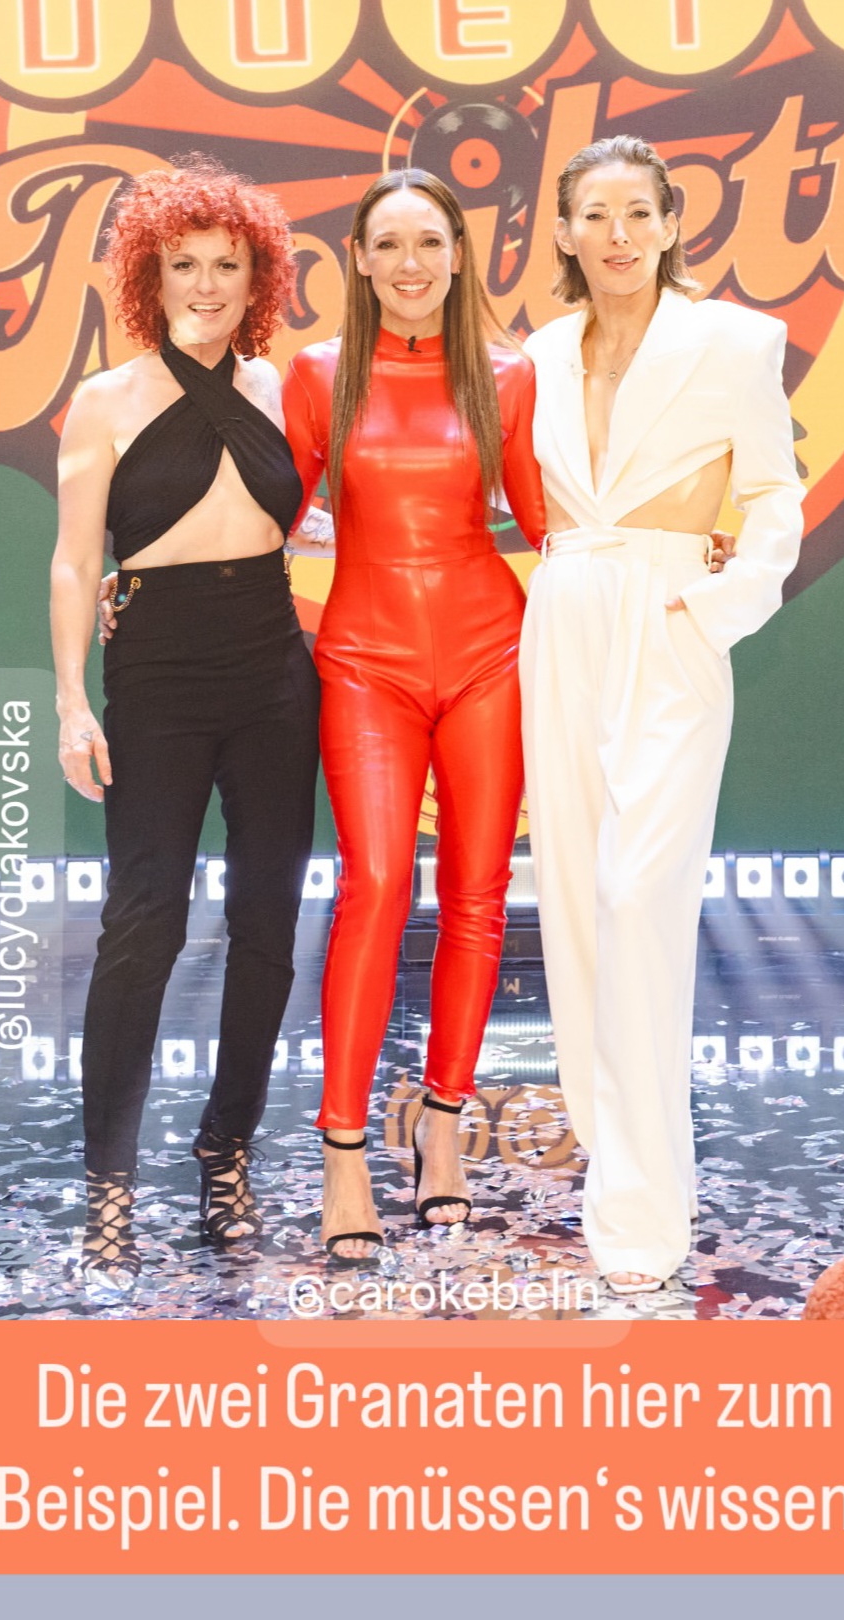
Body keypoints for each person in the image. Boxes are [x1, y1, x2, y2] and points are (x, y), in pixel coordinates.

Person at [519, 134, 805, 1296]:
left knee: (640, 897)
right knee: (576, 904)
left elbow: (774, 492)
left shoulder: (735, 341)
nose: (619, 235)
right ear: (564, 232)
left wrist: (716, 604)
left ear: (672, 222)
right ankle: (632, 1164)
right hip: (562, 617)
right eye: (596, 214)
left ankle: (637, 1210)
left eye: (640, 212)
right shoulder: (537, 355)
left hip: (670, 619)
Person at [50, 158, 321, 1287]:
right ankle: (108, 1183)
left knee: (267, 923)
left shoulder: (283, 389)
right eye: (183, 265)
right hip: (156, 669)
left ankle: (225, 1154)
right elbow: (75, 562)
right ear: (148, 277)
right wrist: (72, 699)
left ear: (258, 278)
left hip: (273, 666)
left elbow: (339, 511)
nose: (205, 285)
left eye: (226, 265)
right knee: (144, 923)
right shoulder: (106, 400)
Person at [281, 169, 547, 1261]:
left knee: (478, 894)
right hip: (366, 660)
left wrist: (677, 550)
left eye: (429, 241)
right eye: (387, 243)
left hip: (491, 653)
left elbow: (553, 523)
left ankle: (443, 1128)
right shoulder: (318, 374)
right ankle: (344, 1151)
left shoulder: (508, 373)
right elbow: (264, 511)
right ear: (355, 257)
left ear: (457, 253)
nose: (409, 263)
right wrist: (147, 572)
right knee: (377, 884)